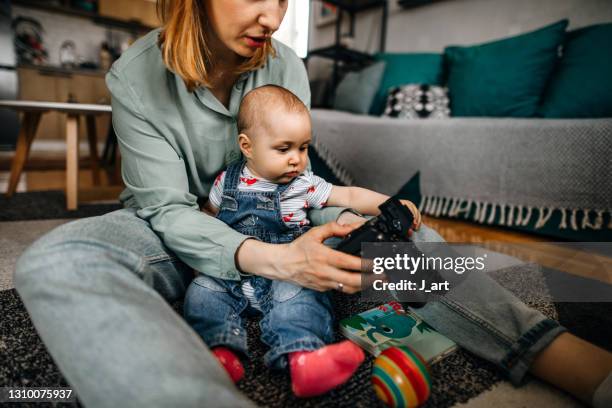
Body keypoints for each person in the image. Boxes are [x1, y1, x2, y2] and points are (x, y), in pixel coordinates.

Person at [13, 1, 611, 407]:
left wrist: (361, 222)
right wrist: (276, 262)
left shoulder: (283, 62)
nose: (273, 16)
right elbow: (167, 212)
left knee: (395, 234)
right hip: (177, 232)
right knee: (58, 259)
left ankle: (559, 353)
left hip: (286, 218)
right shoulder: (134, 77)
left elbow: (300, 180)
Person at [185, 84, 423, 397]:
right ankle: (220, 354)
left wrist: (389, 202)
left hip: (290, 274)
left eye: (304, 147)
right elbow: (209, 215)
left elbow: (348, 194)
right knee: (202, 293)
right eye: (284, 149)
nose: (297, 160)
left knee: (304, 300)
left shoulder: (304, 184)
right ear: (247, 146)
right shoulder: (225, 181)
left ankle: (303, 358)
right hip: (233, 274)